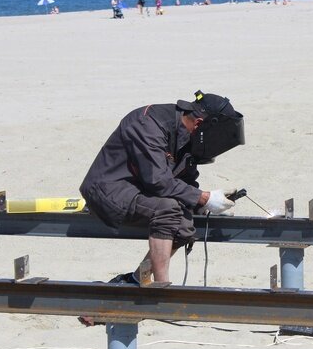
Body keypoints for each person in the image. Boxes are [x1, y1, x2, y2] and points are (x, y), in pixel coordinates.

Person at [79, 91, 244, 296]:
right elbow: (159, 180)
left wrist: (201, 204)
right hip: (108, 189)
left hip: (142, 190)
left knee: (184, 225)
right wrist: (205, 197)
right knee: (169, 210)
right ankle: (161, 291)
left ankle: (138, 278)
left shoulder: (189, 136)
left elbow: (183, 180)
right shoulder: (148, 123)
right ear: (200, 123)